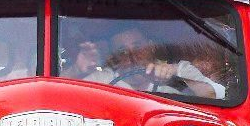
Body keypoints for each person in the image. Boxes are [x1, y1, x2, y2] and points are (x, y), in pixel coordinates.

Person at [85, 26, 221, 98]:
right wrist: (76, 68)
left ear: (151, 46)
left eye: (138, 47)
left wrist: (175, 73)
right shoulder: (104, 79)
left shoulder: (181, 69)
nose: (133, 56)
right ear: (116, 57)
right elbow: (68, 97)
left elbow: (213, 95)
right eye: (123, 52)